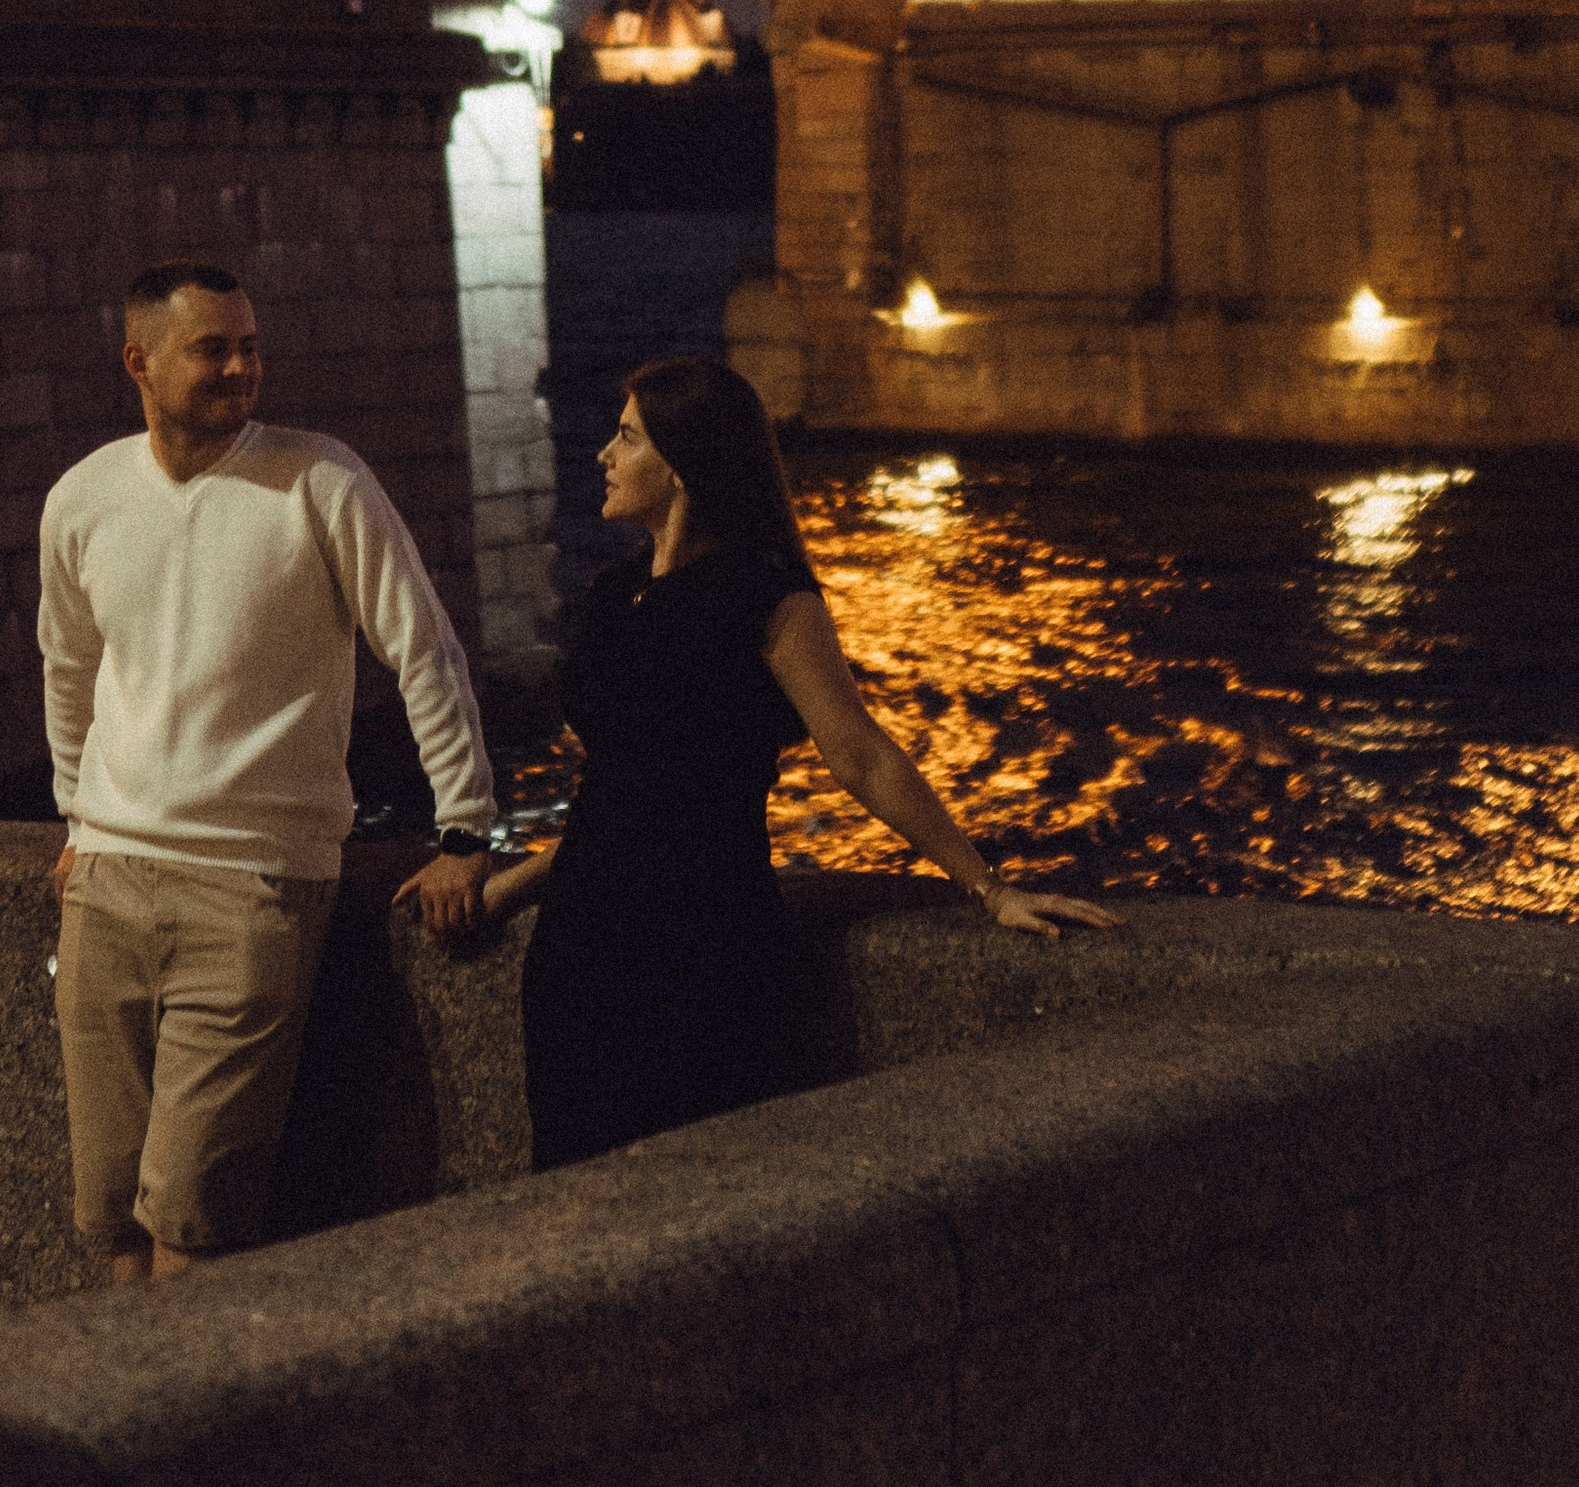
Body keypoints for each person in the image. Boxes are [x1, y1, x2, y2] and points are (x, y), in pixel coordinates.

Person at [477, 353, 1121, 1170]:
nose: (604, 453)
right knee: (570, 1181)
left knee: (684, 1187)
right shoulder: (615, 597)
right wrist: (506, 887)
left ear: (682, 465)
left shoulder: (766, 596)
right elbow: (619, 799)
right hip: (579, 948)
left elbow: (858, 753)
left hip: (696, 940)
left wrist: (987, 887)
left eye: (628, 437)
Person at [40, 258, 498, 1279]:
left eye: (250, 346)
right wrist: (77, 819)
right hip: (106, 885)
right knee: (113, 1220)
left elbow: (423, 649)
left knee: (194, 1222)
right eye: (212, 350)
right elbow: (66, 668)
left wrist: (465, 828)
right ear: (139, 363)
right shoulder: (82, 499)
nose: (241, 368)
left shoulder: (321, 481)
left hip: (255, 886)